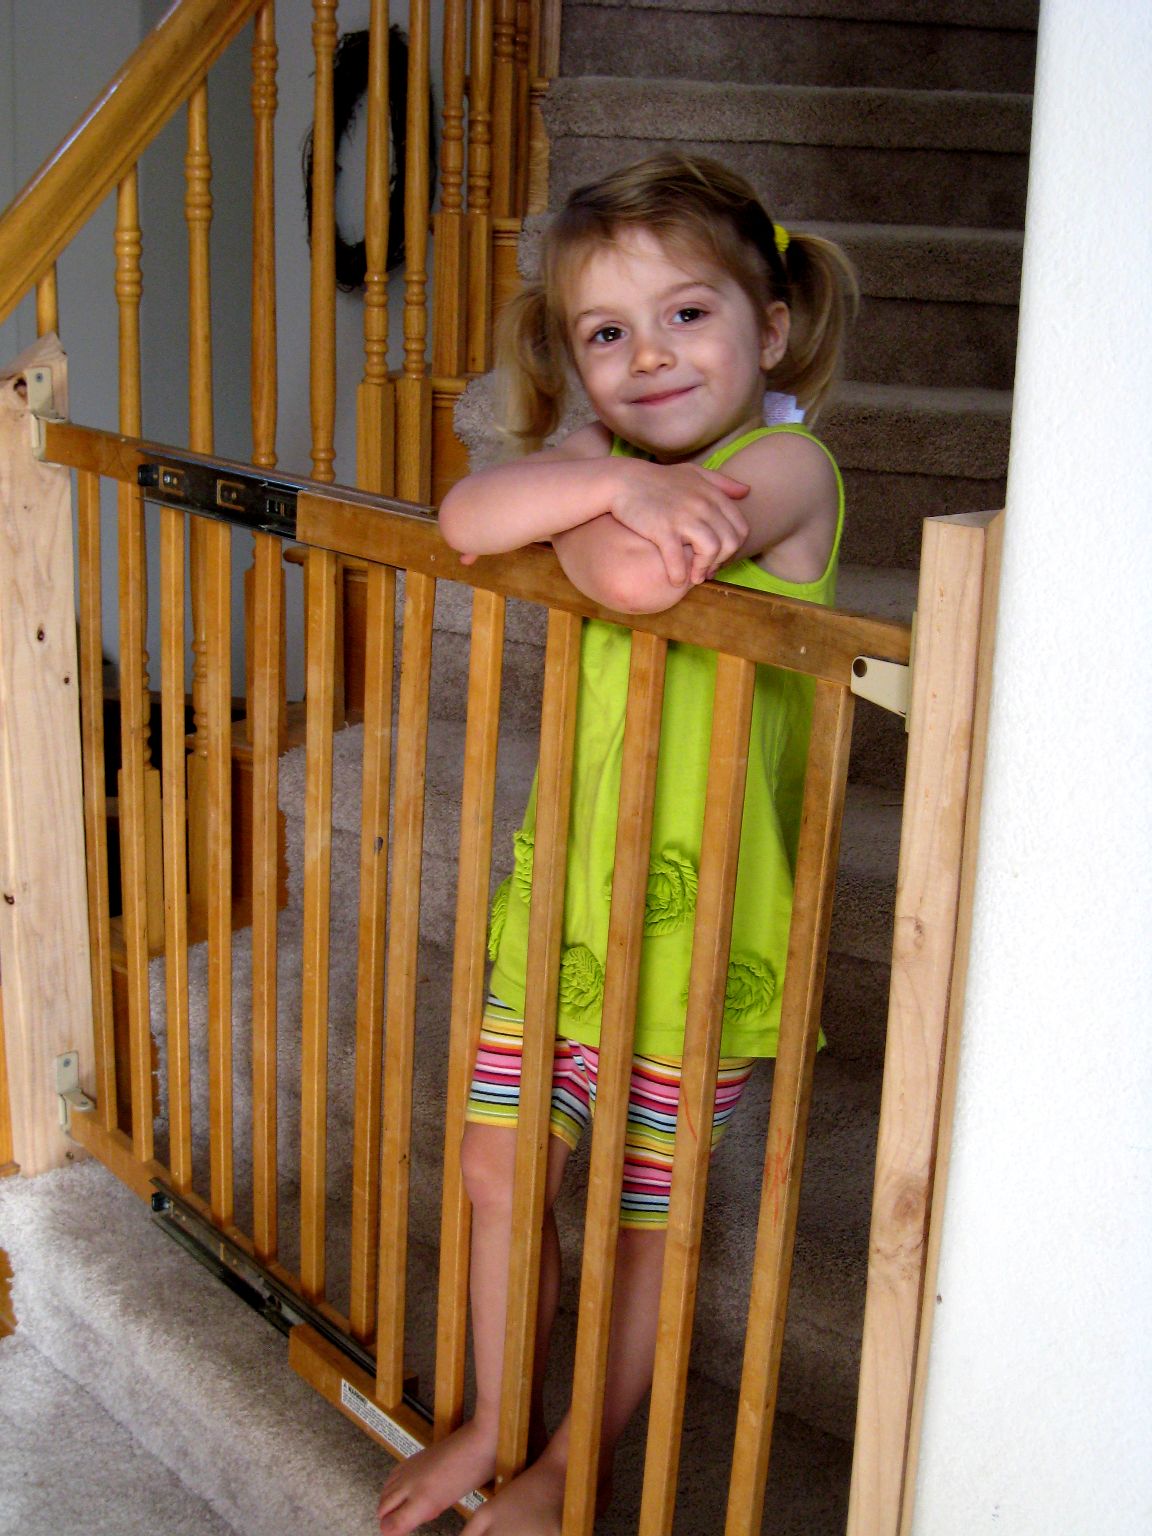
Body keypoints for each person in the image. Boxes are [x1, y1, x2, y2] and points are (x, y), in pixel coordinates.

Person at [377, 150, 855, 1536]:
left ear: (768, 327)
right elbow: (467, 523)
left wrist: (602, 495)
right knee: (495, 1164)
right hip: (567, 910)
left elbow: (646, 582)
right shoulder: (609, 468)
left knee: (643, 1219)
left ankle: (573, 1463)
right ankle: (488, 1417)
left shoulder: (784, 460)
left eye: (686, 315)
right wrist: (607, 485)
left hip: (703, 932)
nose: (647, 357)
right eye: (606, 334)